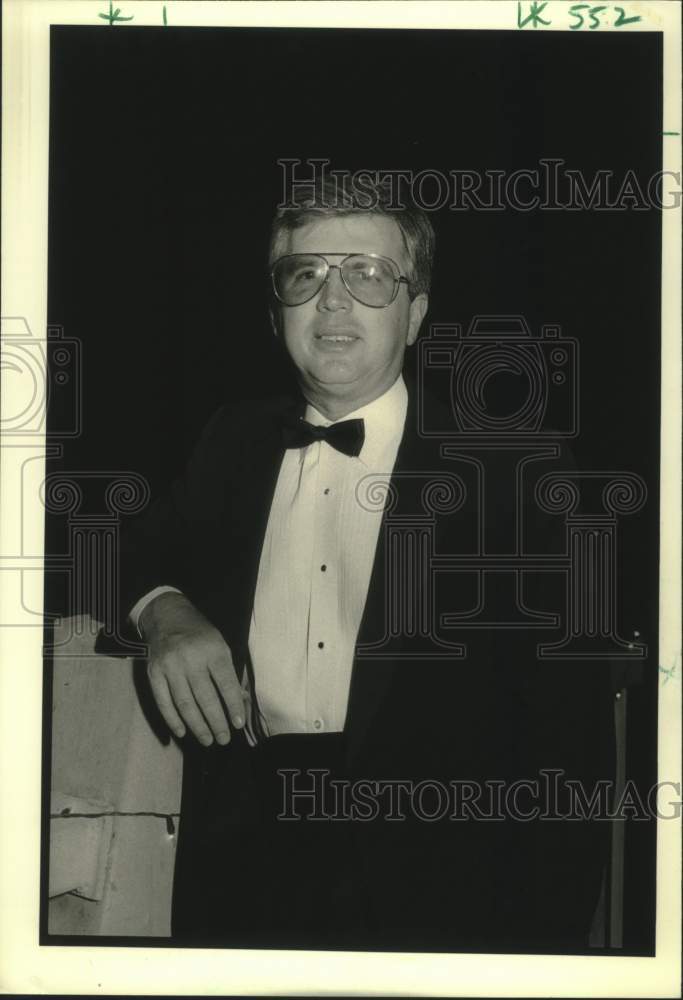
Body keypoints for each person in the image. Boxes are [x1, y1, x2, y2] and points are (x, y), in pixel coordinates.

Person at [116, 175, 613, 951]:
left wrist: (541, 954)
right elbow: (114, 539)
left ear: (415, 313)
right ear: (274, 309)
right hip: (246, 885)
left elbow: (569, 750)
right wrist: (162, 610)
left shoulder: (518, 472)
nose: (334, 301)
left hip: (444, 903)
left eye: (369, 275)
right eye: (305, 274)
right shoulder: (228, 442)